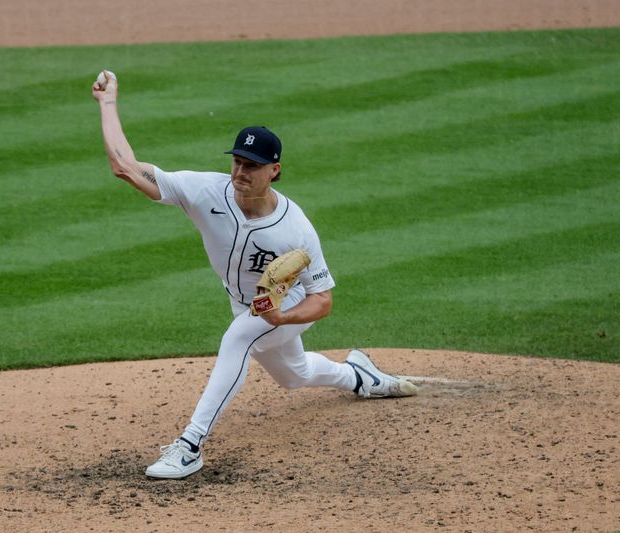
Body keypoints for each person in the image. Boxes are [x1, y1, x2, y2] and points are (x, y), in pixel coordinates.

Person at [92, 70, 418, 480]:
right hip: (246, 302)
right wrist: (108, 103)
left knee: (239, 338)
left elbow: (323, 300)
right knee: (294, 376)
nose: (241, 172)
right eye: (237, 161)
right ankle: (359, 375)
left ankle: (190, 445)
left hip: (287, 305)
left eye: (253, 166)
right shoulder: (204, 191)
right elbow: (125, 167)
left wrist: (280, 317)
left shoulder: (295, 229)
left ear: (275, 171)